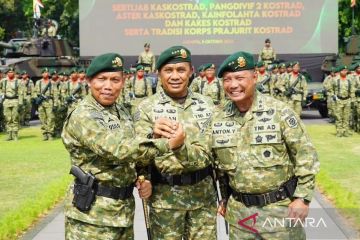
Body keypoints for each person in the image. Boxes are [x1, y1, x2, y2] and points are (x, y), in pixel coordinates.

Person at [62, 53, 179, 240]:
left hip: (122, 212)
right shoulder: (83, 115)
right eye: (102, 79)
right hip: (92, 217)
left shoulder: (121, 111)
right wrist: (167, 143)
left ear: (123, 82)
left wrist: (142, 176)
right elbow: (118, 150)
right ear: (89, 81)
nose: (108, 86)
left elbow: (132, 151)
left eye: (115, 79)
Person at [213, 51, 320, 239]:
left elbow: (305, 155)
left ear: (255, 77)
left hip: (279, 214)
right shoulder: (218, 118)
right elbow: (217, 165)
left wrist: (302, 198)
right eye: (227, 79)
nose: (233, 85)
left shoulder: (279, 112)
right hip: (240, 217)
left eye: (239, 78)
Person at [134, 46, 217, 239]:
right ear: (158, 73)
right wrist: (143, 179)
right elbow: (139, 154)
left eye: (181, 70)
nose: (175, 76)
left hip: (203, 199)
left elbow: (214, 153)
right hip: (165, 201)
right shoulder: (146, 108)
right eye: (168, 70)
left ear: (191, 72)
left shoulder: (206, 105)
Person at [329, 65, 355, 137]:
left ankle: (346, 131)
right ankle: (339, 132)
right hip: (338, 100)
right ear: (340, 71)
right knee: (338, 117)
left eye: (346, 70)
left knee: (346, 117)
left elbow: (352, 90)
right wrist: (333, 96)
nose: (344, 72)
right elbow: (330, 89)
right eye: (343, 70)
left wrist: (353, 100)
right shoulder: (335, 79)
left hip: (347, 100)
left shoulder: (350, 79)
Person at [33, 68, 58, 140]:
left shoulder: (52, 83)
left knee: (50, 118)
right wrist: (36, 98)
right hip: (41, 102)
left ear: (48, 74)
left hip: (49, 101)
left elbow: (56, 94)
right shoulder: (38, 82)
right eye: (44, 72)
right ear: (42, 74)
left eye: (47, 72)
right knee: (42, 118)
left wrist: (55, 104)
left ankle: (50, 134)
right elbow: (34, 92)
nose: (45, 73)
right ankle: (45, 133)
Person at [0, 68, 23, 140]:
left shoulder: (18, 81)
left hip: (15, 101)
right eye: (9, 72)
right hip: (6, 101)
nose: (10, 73)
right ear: (7, 73)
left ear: (14, 73)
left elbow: (20, 93)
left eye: (12, 72)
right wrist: (1, 94)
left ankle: (15, 134)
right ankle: (9, 134)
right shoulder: (3, 81)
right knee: (7, 118)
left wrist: (20, 103)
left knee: (15, 118)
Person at [350, 63, 360, 132]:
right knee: (354, 114)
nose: (359, 69)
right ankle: (354, 127)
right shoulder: (352, 76)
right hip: (356, 98)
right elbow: (351, 88)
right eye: (358, 68)